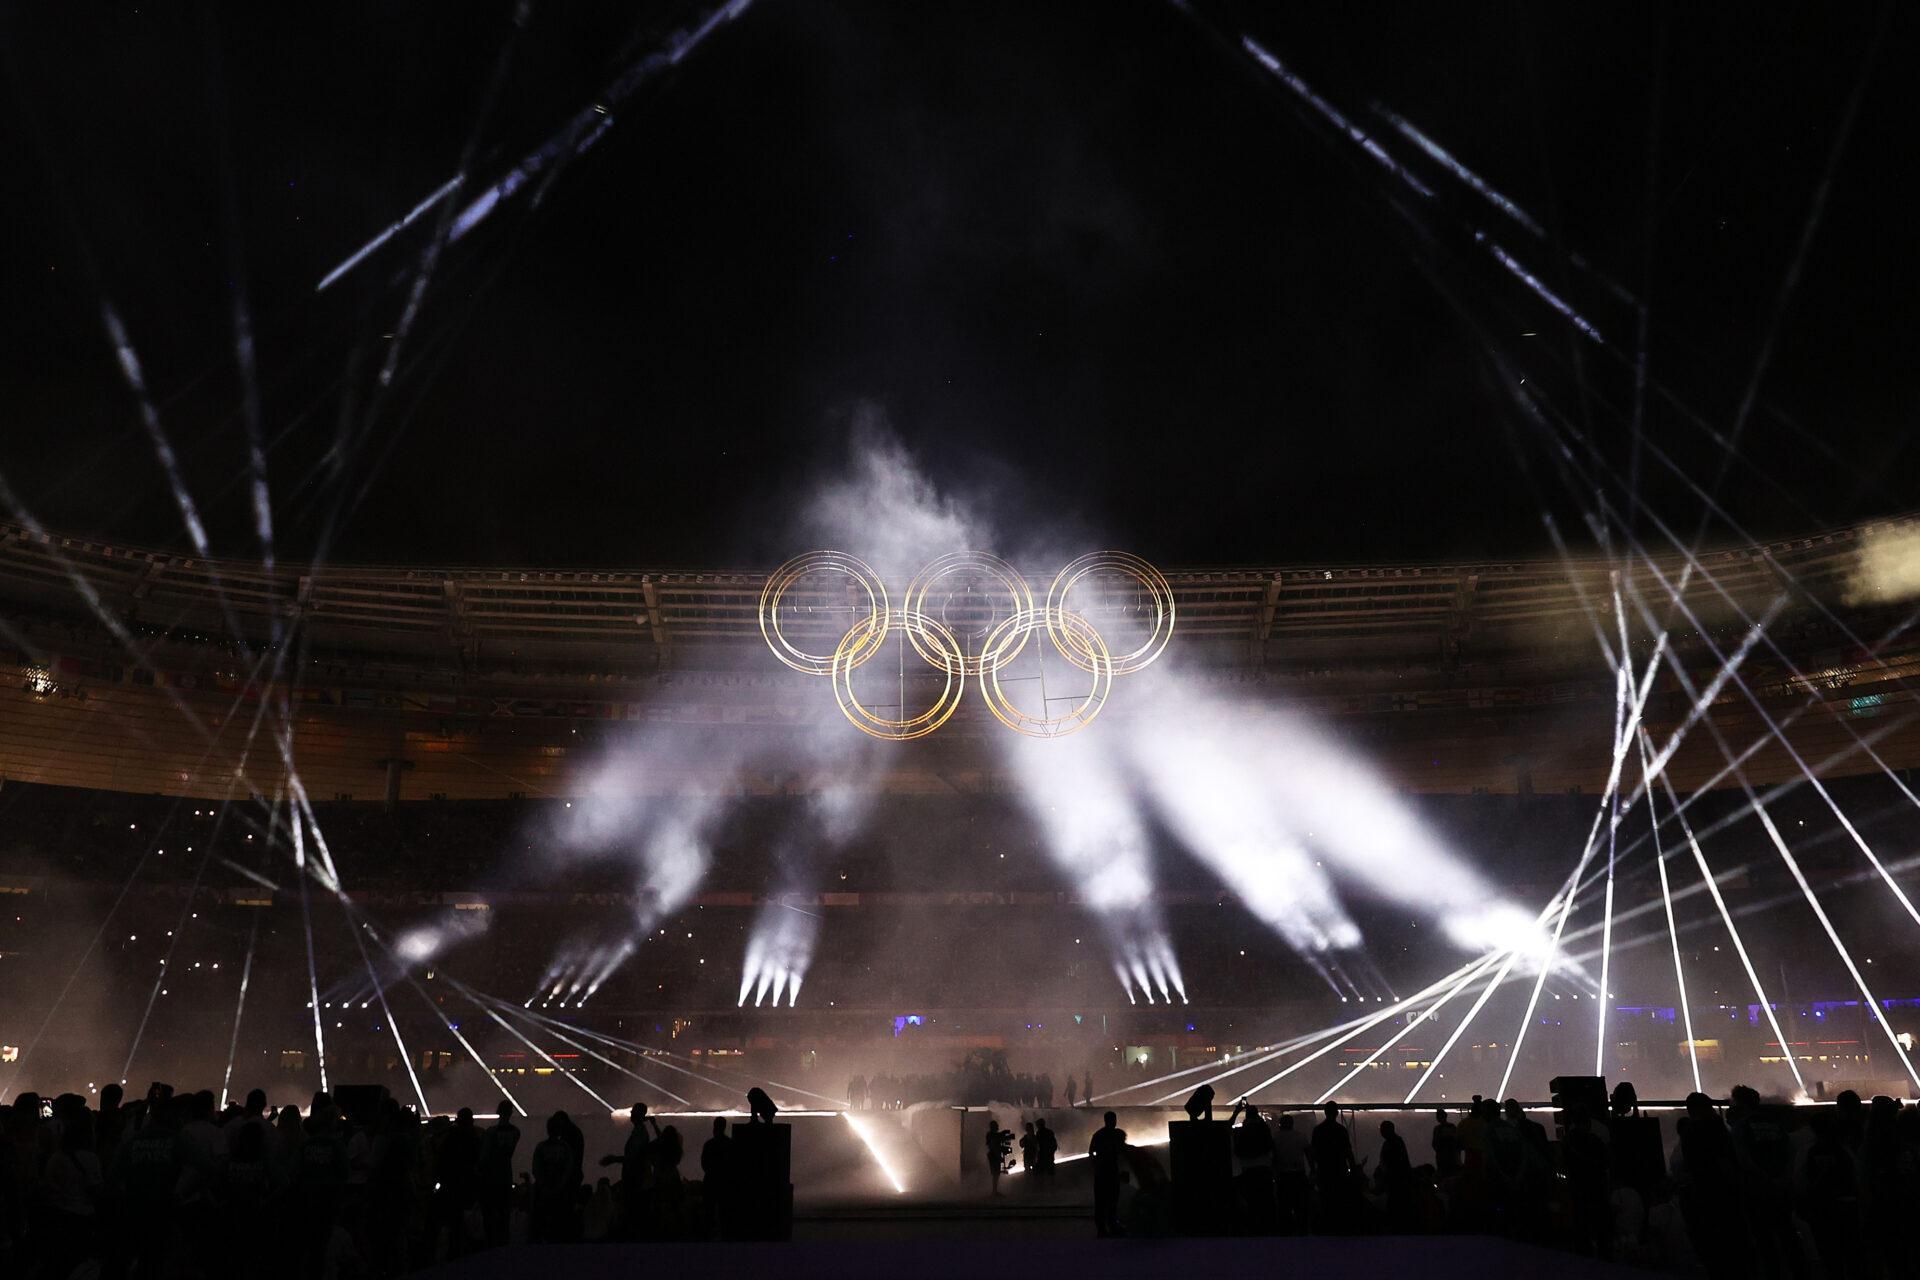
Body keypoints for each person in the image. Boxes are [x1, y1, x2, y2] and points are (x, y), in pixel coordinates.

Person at [478, 1098, 521, 1249]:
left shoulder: (491, 1132)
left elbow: (484, 1156)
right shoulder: (516, 1132)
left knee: (490, 1213)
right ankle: (503, 1242)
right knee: (504, 1213)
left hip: (491, 1176)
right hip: (505, 1174)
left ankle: (490, 1244)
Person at [1089, 1110, 1127, 1236]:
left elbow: (1091, 1152)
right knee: (1111, 1199)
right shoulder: (1118, 1135)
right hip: (1110, 1171)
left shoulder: (1098, 1135)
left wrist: (1095, 1164)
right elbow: (1122, 1152)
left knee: (1102, 1200)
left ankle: (1102, 1228)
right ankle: (1111, 1224)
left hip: (1102, 1172)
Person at [1271, 1112, 1310, 1233]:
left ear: (1280, 1124)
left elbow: (1272, 1158)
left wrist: (1274, 1173)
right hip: (1298, 1174)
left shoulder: (1275, 1138)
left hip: (1283, 1175)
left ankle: (1285, 1232)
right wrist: (1313, 1169)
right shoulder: (1300, 1136)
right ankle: (1302, 1230)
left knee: (1284, 1207)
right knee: (1300, 1206)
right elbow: (1309, 1154)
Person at [1431, 1107, 1462, 1178]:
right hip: (1451, 1157)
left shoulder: (1438, 1129)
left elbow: (1435, 1144)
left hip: (1444, 1158)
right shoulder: (1451, 1127)